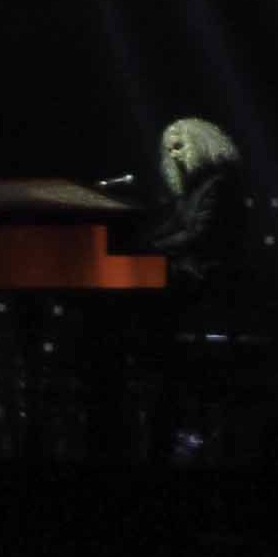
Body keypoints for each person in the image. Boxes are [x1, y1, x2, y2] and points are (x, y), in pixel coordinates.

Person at [85, 117, 250, 459]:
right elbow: (170, 229)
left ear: (201, 143)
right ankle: (142, 363)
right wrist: (141, 246)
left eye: (180, 145)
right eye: (169, 148)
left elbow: (198, 235)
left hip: (206, 270)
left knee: (145, 292)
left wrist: (151, 250)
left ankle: (155, 362)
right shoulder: (191, 190)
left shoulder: (218, 185)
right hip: (183, 264)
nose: (174, 154)